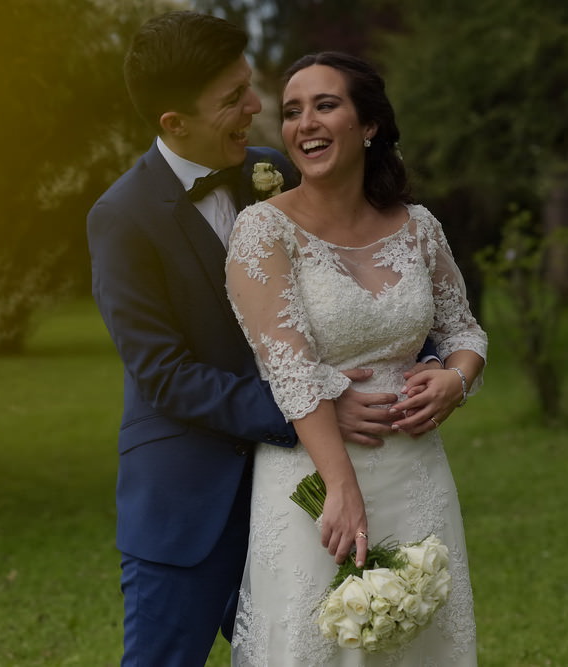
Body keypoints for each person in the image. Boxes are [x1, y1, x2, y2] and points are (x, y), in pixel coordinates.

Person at [87, 13, 451, 665]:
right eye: (233, 100)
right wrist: (310, 401)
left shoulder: (276, 172)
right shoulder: (122, 217)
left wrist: (424, 364)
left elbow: (359, 268)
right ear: (175, 123)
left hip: (298, 491)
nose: (257, 107)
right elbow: (164, 374)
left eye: (249, 86)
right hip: (188, 503)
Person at [225, 51, 488, 665]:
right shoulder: (264, 230)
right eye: (292, 112)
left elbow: (465, 330)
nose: (304, 123)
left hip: (416, 474)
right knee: (314, 643)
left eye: (325, 105)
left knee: (422, 639)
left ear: (367, 124)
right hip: (314, 478)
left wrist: (455, 378)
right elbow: (289, 369)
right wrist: (340, 488)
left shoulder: (418, 226)